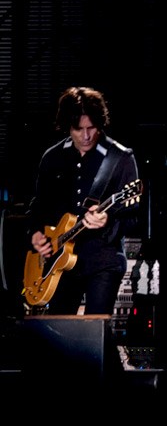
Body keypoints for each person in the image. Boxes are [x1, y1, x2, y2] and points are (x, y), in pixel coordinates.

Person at [27, 86, 140, 315]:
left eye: (92, 128)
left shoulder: (120, 158)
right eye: (78, 129)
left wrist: (107, 220)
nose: (86, 136)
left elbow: (134, 216)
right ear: (67, 126)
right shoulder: (52, 158)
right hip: (57, 262)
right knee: (59, 332)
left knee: (96, 331)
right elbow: (39, 206)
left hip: (102, 259)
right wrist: (36, 233)